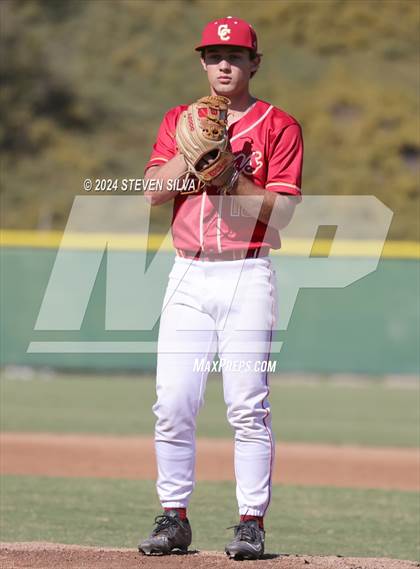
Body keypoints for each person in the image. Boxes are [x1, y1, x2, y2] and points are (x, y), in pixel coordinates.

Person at [138, 16, 303, 560]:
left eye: (234, 55)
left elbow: (282, 215)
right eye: (213, 55)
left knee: (246, 405)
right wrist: (194, 152)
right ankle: (173, 517)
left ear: (255, 62)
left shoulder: (279, 126)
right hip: (187, 270)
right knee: (173, 403)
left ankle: (250, 523)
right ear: (202, 62)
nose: (223, 64)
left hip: (246, 271)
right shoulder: (179, 120)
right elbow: (153, 193)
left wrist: (230, 175)